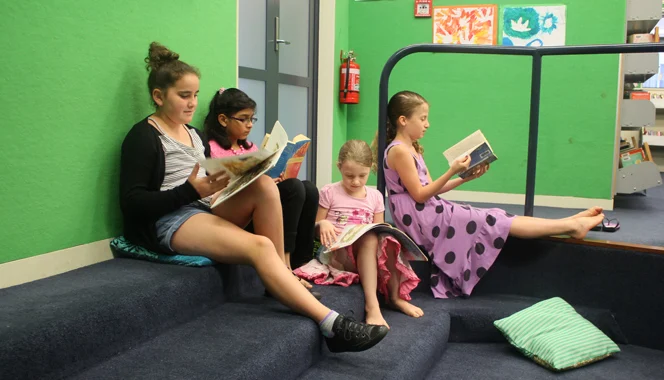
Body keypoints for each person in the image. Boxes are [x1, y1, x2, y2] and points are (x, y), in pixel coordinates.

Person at [119, 41, 388, 352]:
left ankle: (282, 276)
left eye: (194, 95)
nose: (193, 103)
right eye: (183, 96)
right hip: (172, 218)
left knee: (264, 186)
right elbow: (133, 203)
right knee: (260, 245)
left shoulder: (193, 134)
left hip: (204, 205)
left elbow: (208, 178)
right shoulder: (143, 136)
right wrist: (191, 191)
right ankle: (332, 325)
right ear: (158, 96)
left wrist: (240, 176)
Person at [374, 90, 605, 299]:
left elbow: (431, 189)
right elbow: (421, 195)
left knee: (495, 216)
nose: (428, 124)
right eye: (422, 118)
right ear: (403, 120)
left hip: (428, 210)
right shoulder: (399, 151)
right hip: (421, 219)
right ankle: (571, 226)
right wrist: (452, 170)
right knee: (494, 219)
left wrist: (465, 177)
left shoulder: (411, 148)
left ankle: (569, 222)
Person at [297, 140, 423, 328]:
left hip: (365, 255)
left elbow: (379, 229)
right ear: (339, 167)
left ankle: (395, 298)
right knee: (370, 238)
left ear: (370, 169)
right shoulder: (329, 192)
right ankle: (372, 306)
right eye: (349, 176)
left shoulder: (375, 197)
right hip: (336, 254)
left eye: (362, 176)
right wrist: (321, 224)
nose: (355, 181)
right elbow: (314, 230)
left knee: (381, 238)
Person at [203, 88, 319, 274]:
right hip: (239, 210)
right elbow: (218, 188)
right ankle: (285, 264)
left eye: (252, 119)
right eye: (243, 119)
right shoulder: (212, 149)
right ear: (223, 119)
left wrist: (274, 178)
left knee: (308, 188)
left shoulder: (250, 147)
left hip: (262, 201)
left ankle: (303, 262)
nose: (249, 125)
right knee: (294, 188)